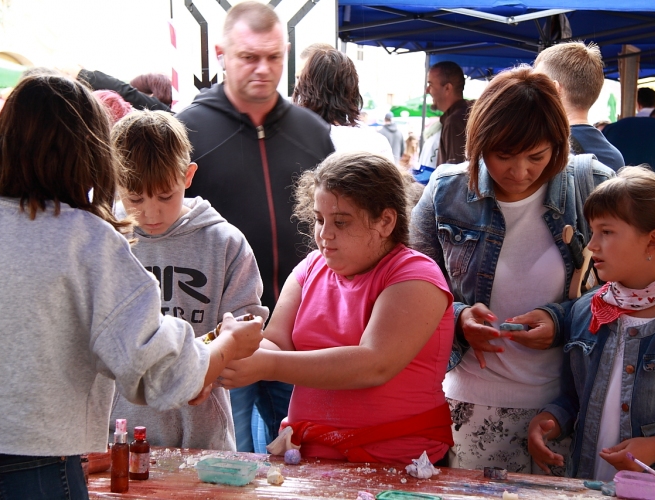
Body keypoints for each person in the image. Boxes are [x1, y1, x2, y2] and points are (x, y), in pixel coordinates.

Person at [0, 75, 263, 499]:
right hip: (35, 462)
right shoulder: (85, 237)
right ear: (89, 155)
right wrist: (220, 350)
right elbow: (157, 369)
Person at [410, 66, 615, 473]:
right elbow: (410, 290)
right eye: (503, 156)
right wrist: (458, 318)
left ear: (558, 145)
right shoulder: (446, 191)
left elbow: (624, 289)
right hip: (469, 404)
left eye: (536, 157)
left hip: (568, 406)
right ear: (479, 144)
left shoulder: (591, 184)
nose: (519, 172)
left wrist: (561, 320)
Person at [218, 151, 456, 464]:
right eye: (319, 219)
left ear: (385, 221)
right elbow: (276, 342)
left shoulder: (415, 275)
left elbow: (374, 364)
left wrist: (268, 364)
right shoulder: (311, 267)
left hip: (399, 463)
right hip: (308, 456)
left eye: (340, 222)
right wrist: (230, 347)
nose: (324, 234)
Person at [176, 1, 335, 452]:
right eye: (249, 57)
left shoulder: (312, 131)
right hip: (219, 336)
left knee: (306, 460)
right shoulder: (189, 129)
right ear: (222, 53)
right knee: (232, 465)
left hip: (301, 334)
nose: (263, 69)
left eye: (273, 57)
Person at [527, 167, 655, 489]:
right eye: (591, 231)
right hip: (589, 484)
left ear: (653, 242)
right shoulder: (584, 312)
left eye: (606, 232)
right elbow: (573, 397)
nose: (591, 245)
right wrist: (550, 421)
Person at [108, 110, 269, 450]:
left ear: (188, 176)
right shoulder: (105, 239)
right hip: (115, 434)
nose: (150, 213)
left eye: (165, 195)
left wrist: (211, 370)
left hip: (201, 433)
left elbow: (247, 329)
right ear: (114, 181)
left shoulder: (225, 242)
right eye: (134, 198)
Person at [533, 42, 624, 171]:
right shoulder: (615, 156)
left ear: (554, 89)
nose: (531, 91)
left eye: (537, 85)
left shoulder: (541, 150)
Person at [293, 48, 394, 162]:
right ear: (353, 88)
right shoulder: (376, 142)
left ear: (306, 88)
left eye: (299, 79)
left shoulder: (297, 141)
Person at [426, 61, 471, 166]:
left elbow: (456, 176)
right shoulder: (465, 114)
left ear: (447, 88)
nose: (427, 90)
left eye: (430, 84)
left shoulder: (455, 121)